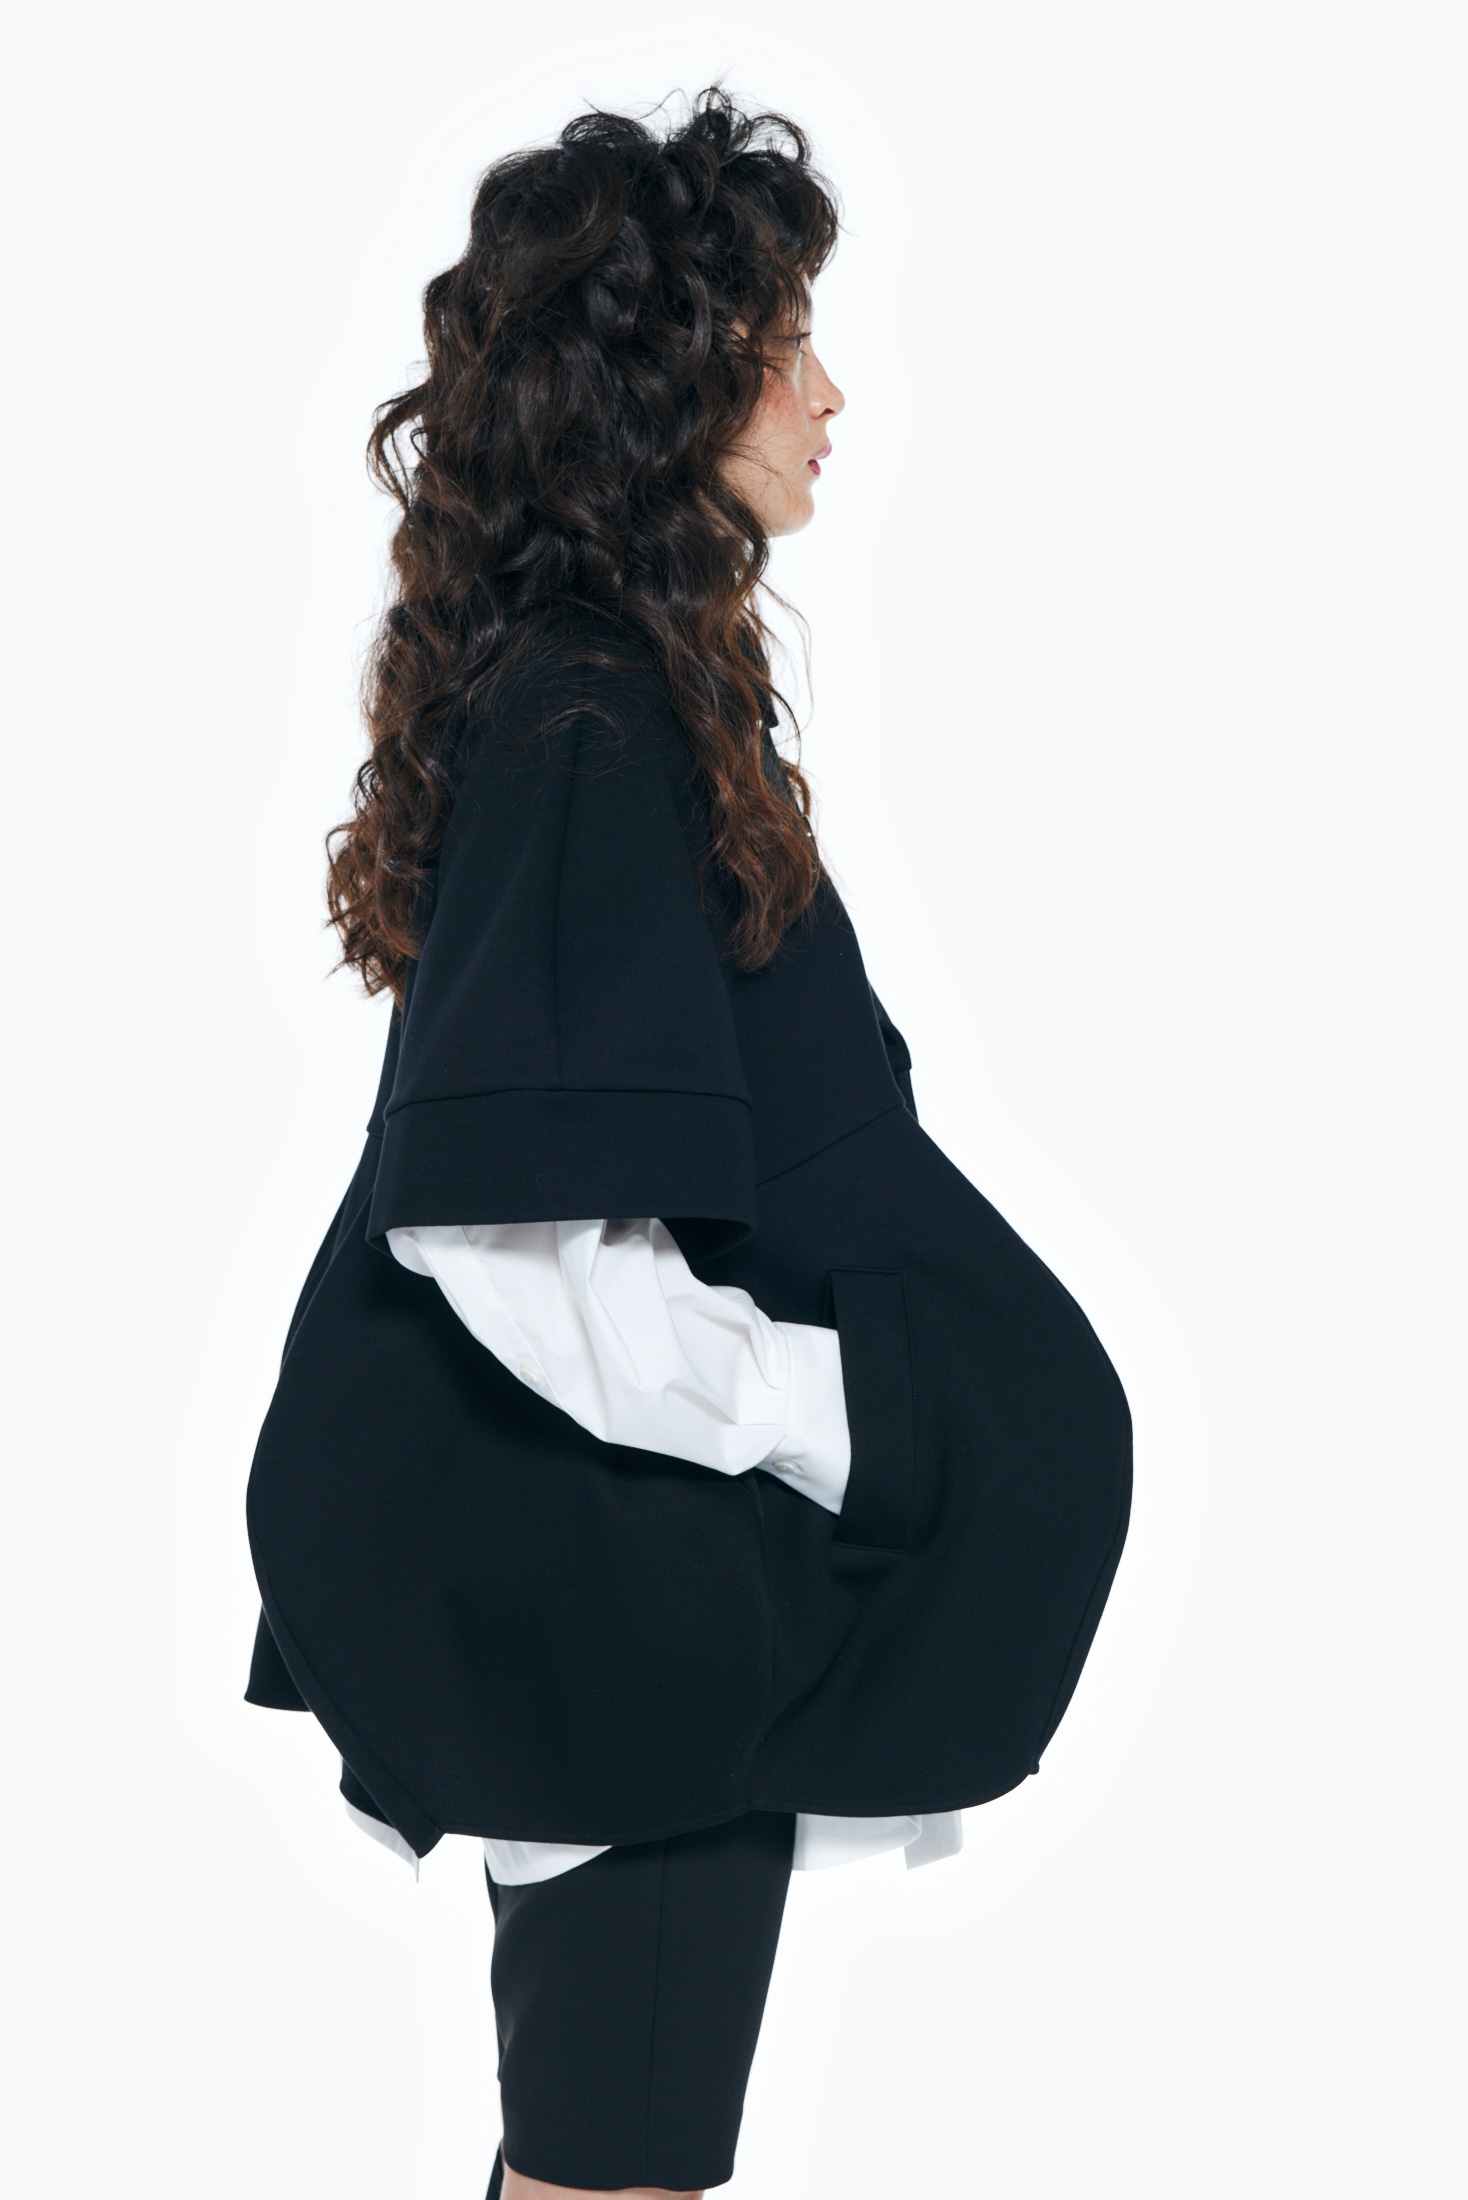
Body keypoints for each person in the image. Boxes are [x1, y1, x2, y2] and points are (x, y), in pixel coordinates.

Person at [244, 88, 1133, 2200]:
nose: (828, 396)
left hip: (628, 1615)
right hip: (617, 1630)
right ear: (659, 392)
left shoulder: (617, 694)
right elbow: (513, 1236)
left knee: (607, 2159)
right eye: (782, 347)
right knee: (614, 2172)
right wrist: (851, 1419)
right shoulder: (587, 715)